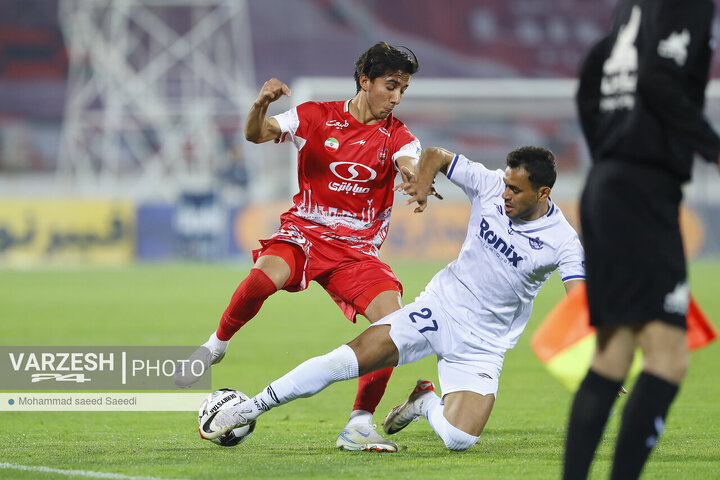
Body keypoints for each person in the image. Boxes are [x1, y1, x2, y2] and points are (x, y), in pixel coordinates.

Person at [198, 145, 586, 451]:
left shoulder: (563, 241)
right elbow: (435, 154)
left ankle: (423, 402)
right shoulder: (487, 184)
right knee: (344, 361)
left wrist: (588, 353)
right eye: (505, 184)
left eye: (515, 190)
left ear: (543, 192)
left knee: (460, 439)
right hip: (441, 308)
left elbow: (578, 298)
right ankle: (248, 408)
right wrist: (422, 181)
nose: (504, 195)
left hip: (485, 344)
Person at [175, 42, 437, 453]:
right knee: (262, 280)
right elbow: (255, 134)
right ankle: (216, 346)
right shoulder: (315, 116)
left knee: (394, 327)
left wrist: (416, 182)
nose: (397, 97)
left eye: (403, 89)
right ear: (365, 80)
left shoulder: (398, 135)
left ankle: (359, 425)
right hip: (307, 233)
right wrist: (260, 104)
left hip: (356, 250)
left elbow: (410, 163)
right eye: (391, 86)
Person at [563, 1, 720, 479]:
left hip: (608, 184)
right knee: (668, 359)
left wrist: (611, 153)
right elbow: (656, 79)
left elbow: (591, 76)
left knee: (614, 355)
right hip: (641, 194)